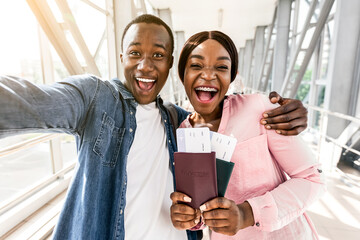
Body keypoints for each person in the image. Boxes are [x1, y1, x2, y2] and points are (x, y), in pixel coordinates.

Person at [0, 14, 307, 240]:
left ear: (170, 64)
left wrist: (291, 111)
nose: (146, 65)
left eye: (157, 55)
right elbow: (31, 102)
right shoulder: (96, 100)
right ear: (121, 57)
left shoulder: (178, 122)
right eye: (135, 53)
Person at [170, 31, 325, 239]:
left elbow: (313, 180)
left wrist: (248, 213)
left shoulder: (259, 109)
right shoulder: (183, 134)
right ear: (182, 74)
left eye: (222, 67)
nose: (208, 75)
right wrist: (192, 219)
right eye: (196, 65)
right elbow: (202, 206)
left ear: (231, 76)